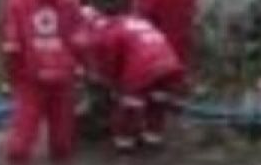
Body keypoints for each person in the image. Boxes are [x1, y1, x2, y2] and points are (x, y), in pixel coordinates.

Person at [0, 0, 83, 164]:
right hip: (64, 72)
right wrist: (80, 68)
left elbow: (12, 45)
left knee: (22, 139)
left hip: (31, 73)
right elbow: (80, 39)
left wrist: (11, 76)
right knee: (62, 141)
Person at [79, 8, 185, 151]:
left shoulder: (103, 33)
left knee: (130, 102)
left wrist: (110, 81)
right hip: (169, 62)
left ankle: (125, 141)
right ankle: (153, 137)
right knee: (158, 99)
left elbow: (111, 61)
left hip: (142, 65)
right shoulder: (127, 22)